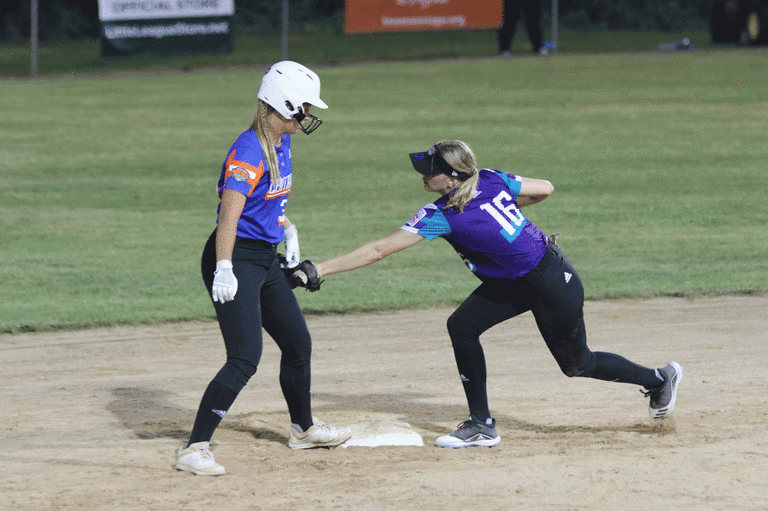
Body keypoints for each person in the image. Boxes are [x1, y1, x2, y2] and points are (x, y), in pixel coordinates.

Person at [306, 140, 684, 449]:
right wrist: (505, 208)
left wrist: (320, 269)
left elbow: (379, 249)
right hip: (518, 279)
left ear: (452, 177)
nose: (423, 174)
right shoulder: (489, 179)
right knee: (462, 326)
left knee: (577, 364)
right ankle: (481, 424)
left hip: (551, 282)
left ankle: (658, 379)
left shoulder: (442, 215)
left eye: (431, 170)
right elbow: (545, 188)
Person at [175, 61, 352, 476]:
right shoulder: (250, 150)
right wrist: (223, 267)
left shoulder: (280, 141)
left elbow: (266, 203)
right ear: (283, 104)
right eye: (303, 107)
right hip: (235, 257)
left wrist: (287, 229)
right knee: (244, 357)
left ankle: (303, 429)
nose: (307, 115)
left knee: (297, 343)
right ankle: (194, 447)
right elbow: (229, 217)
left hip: (263, 256)